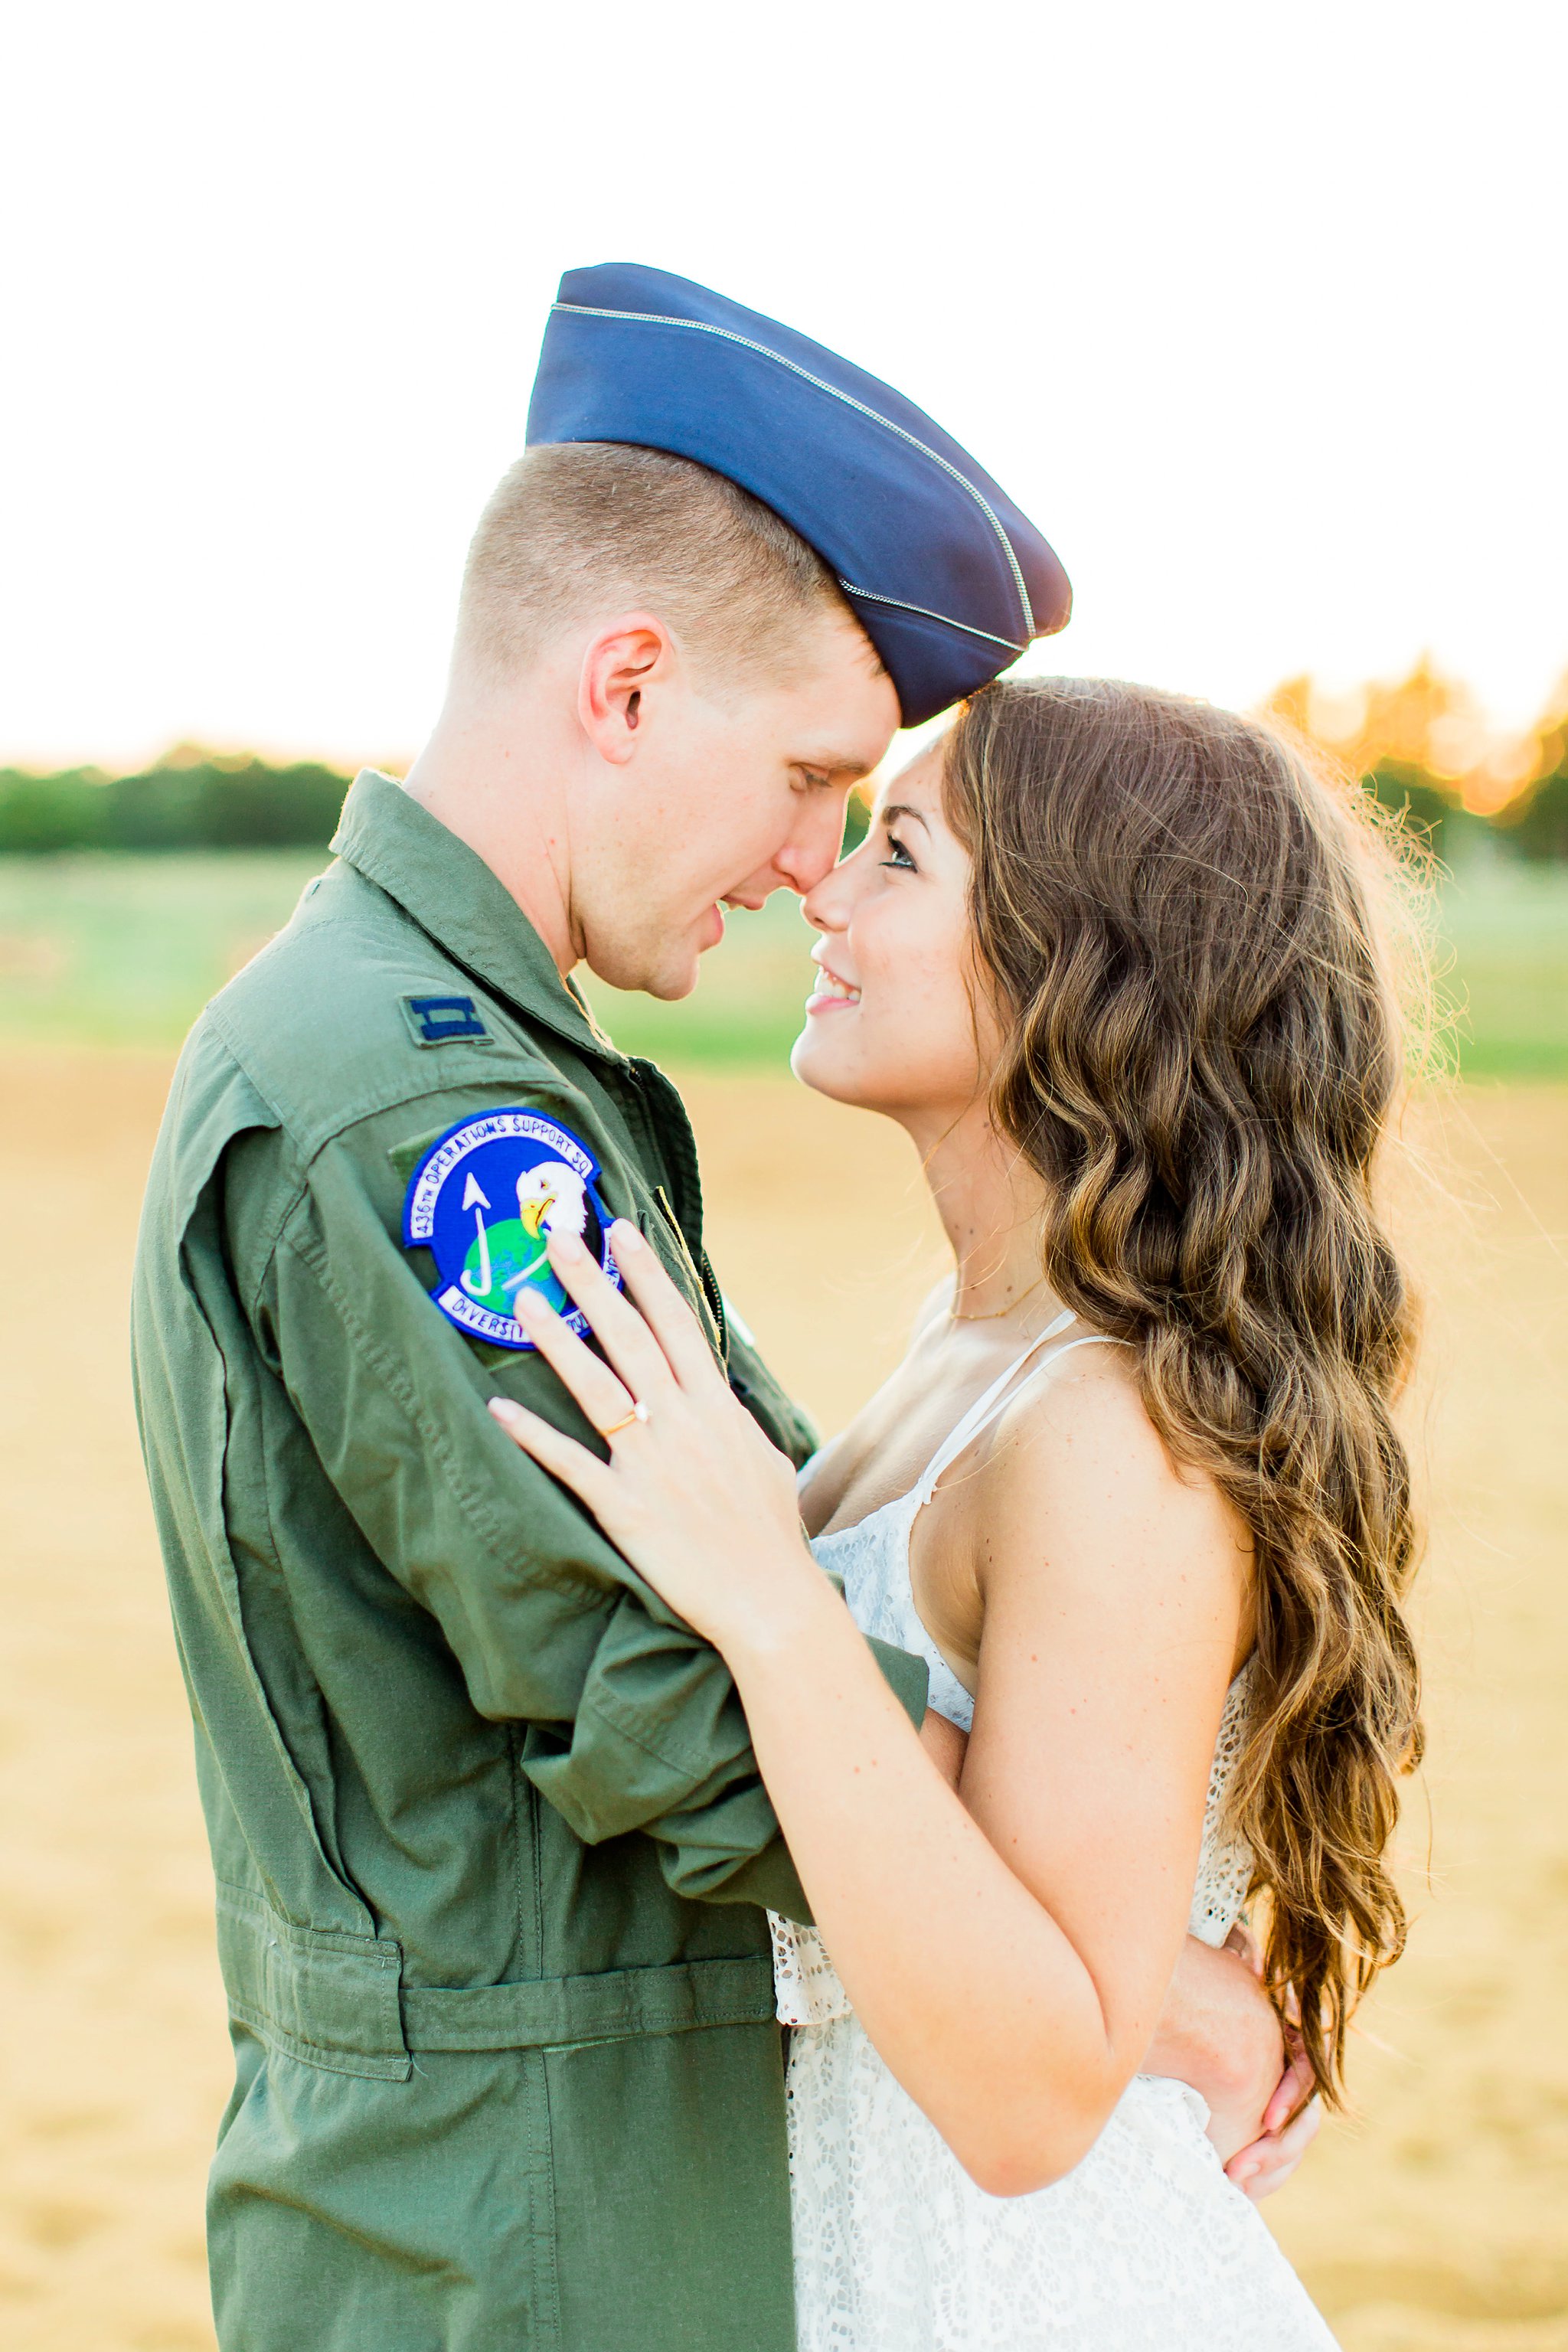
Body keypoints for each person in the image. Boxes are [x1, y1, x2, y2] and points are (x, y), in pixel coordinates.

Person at [132, 266, 1309, 2352]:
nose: (803, 866)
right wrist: (1097, 1954)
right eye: (804, 778)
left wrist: (1088, 1937)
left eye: (872, 829)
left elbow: (728, 1568)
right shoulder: (433, 1109)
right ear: (626, 686)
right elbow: (656, 1687)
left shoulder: (467, 1056)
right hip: (538, 2228)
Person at [486, 678, 1425, 2349]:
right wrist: (1167, 2000)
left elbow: (1024, 2097)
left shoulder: (1110, 1430)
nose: (822, 889)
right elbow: (993, 1868)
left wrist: (771, 1603)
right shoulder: (979, 1345)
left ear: (1083, 958)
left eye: (901, 855)